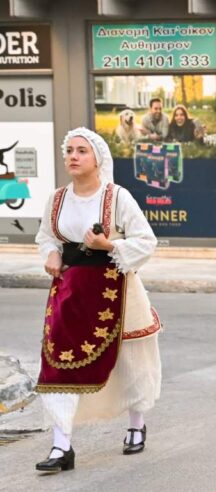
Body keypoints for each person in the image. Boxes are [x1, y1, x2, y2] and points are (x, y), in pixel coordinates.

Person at [34, 128, 162, 473]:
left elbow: (146, 240)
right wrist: (51, 254)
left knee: (131, 358)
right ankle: (62, 446)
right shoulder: (57, 199)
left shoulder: (116, 197)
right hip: (71, 290)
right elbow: (46, 235)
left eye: (81, 151)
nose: (73, 157)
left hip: (116, 285)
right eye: (70, 151)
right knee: (57, 363)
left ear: (97, 159)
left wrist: (110, 247)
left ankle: (136, 424)